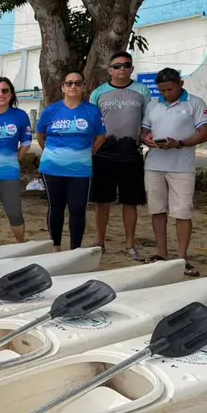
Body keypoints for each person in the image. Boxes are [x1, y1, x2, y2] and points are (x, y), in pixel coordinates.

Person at [141, 67, 207, 276]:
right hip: (154, 165)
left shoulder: (195, 104)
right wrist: (146, 139)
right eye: (162, 90)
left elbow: (205, 133)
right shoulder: (153, 105)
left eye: (169, 89)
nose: (166, 94)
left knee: (182, 212)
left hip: (182, 167)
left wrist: (180, 143)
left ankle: (181, 257)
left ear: (181, 84)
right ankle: (161, 253)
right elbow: (144, 131)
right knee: (157, 209)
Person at [89, 51, 153, 261]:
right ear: (110, 70)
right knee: (102, 201)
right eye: (117, 66)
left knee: (130, 202)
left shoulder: (142, 91)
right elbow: (93, 124)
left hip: (131, 155)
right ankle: (99, 242)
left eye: (126, 65)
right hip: (103, 155)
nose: (121, 69)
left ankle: (130, 244)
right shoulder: (98, 93)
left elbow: (148, 122)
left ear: (132, 69)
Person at [35, 71, 106, 251]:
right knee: (56, 208)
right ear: (63, 87)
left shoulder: (92, 111)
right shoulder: (51, 110)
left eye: (77, 83)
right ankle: (56, 247)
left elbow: (100, 136)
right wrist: (53, 153)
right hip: (52, 169)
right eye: (69, 83)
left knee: (77, 208)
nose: (73, 86)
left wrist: (87, 152)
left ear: (83, 87)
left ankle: (75, 250)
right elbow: (40, 136)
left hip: (80, 170)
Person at [0, 76, 32, 245]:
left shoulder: (20, 116)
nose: (0, 94)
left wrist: (14, 159)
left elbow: (26, 143)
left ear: (11, 94)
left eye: (5, 90)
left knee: (14, 212)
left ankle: (21, 244)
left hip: (9, 172)